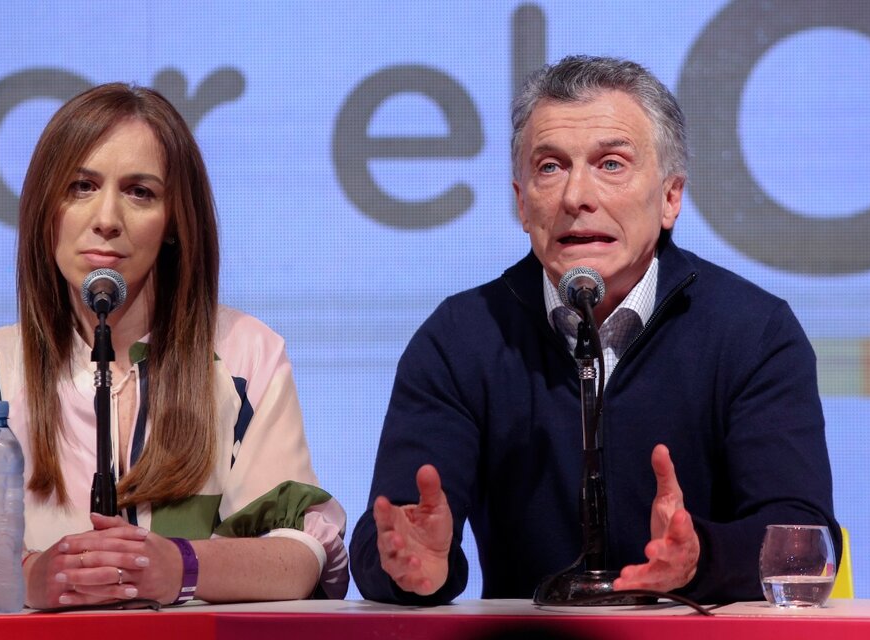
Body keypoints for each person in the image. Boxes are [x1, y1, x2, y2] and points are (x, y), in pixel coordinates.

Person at [349, 55, 840, 604]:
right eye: (550, 167)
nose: (575, 196)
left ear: (670, 197)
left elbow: (804, 543)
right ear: (522, 203)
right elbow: (383, 540)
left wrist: (700, 557)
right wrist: (415, 568)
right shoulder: (462, 339)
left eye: (610, 164)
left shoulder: (753, 332)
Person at [0, 83, 348, 608]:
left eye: (140, 192)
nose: (106, 219)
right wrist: (26, 576)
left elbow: (302, 557)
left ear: (174, 223)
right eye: (81, 186)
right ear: (45, 209)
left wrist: (179, 567)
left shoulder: (245, 353)